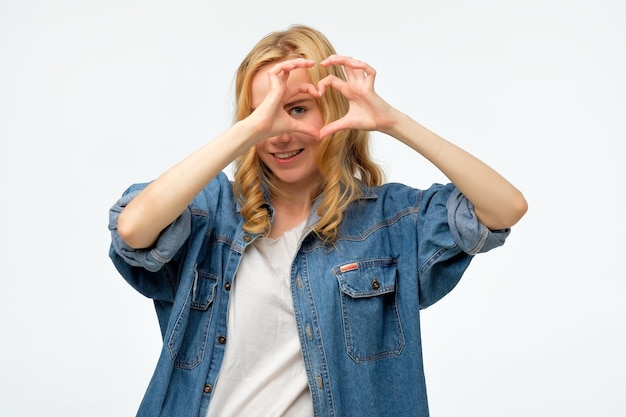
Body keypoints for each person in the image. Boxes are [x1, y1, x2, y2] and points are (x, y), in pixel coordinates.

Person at [108, 24, 527, 417]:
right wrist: (249, 128)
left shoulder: (392, 221)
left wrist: (393, 121)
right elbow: (132, 229)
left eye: (297, 109)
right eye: (262, 113)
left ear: (333, 110)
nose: (278, 133)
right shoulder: (210, 211)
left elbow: (504, 208)